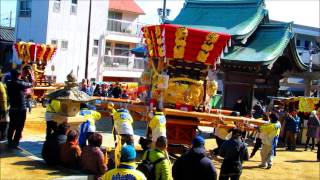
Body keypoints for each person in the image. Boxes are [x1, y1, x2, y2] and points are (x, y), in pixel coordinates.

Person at [6, 69, 33, 148]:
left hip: (12, 108)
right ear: (19, 75)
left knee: (11, 126)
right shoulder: (20, 83)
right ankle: (15, 143)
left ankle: (9, 141)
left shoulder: (9, 83)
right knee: (19, 127)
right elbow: (31, 84)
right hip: (21, 109)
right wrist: (30, 75)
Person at [0, 71, 9, 141]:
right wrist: (4, 110)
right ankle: (3, 139)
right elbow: (3, 99)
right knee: (5, 123)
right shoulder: (1, 85)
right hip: (2, 108)